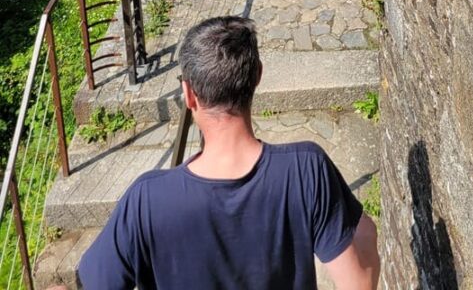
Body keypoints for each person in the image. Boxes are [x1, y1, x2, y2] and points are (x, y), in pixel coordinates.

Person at [73, 16, 380, 290]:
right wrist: (364, 232)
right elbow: (359, 279)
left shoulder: (146, 200)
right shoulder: (307, 170)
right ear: (257, 76)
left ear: (189, 95)